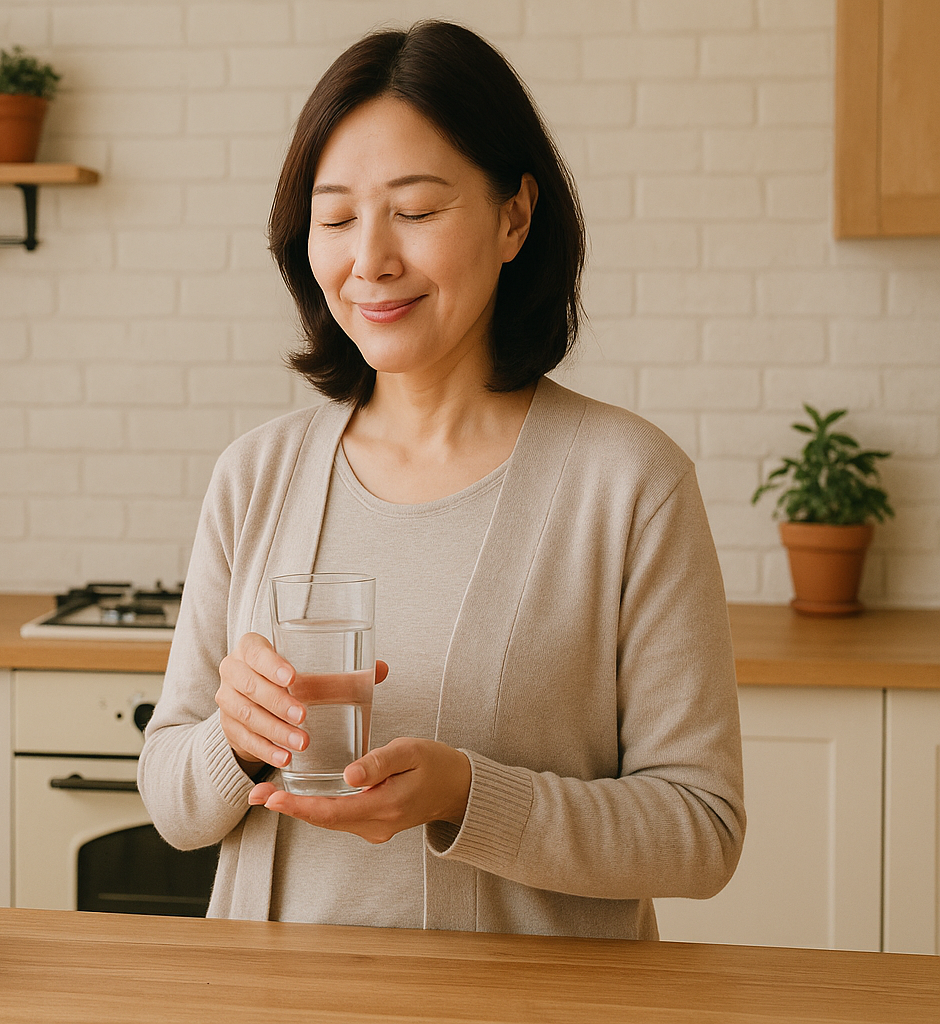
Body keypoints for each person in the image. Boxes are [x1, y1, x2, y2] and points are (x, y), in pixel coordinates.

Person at [137, 20, 745, 940]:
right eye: (335, 218)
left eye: (416, 211)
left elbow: (702, 832)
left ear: (514, 217)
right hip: (271, 999)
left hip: (534, 1005)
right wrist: (235, 739)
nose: (370, 260)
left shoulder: (629, 485)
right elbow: (173, 805)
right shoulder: (255, 476)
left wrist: (468, 795)